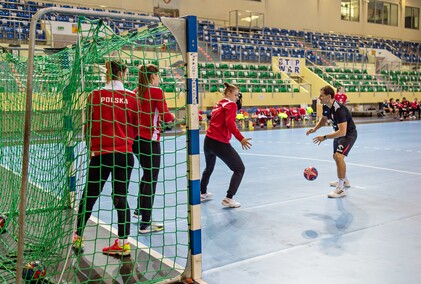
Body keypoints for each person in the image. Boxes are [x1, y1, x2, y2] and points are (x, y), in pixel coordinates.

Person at [73, 60, 140, 256]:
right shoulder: (132, 97)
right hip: (124, 155)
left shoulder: (94, 95)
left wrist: (92, 146)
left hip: (101, 155)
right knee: (120, 197)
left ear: (106, 73)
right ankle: (123, 243)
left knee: (89, 196)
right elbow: (135, 128)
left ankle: (77, 237)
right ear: (123, 74)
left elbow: (88, 126)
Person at [132, 64, 175, 234]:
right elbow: (165, 116)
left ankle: (138, 210)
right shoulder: (156, 91)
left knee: (146, 174)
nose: (159, 78)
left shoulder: (136, 91)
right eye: (157, 75)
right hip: (150, 140)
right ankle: (145, 223)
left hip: (135, 140)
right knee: (151, 178)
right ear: (153, 76)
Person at [200, 82, 252, 208]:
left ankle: (202, 193)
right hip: (219, 142)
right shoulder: (231, 104)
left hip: (208, 141)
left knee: (209, 168)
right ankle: (229, 198)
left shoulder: (219, 104)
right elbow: (230, 123)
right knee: (239, 169)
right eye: (235, 95)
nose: (237, 98)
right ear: (228, 93)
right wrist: (241, 138)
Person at [306, 85, 357, 198]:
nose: (319, 97)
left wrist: (324, 137)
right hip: (338, 133)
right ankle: (345, 180)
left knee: (339, 157)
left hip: (348, 134)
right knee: (335, 156)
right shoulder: (325, 106)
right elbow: (323, 119)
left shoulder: (339, 110)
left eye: (321, 95)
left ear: (329, 96)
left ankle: (340, 188)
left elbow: (343, 132)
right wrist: (314, 129)